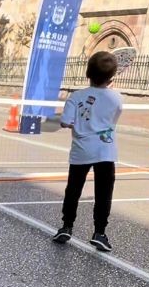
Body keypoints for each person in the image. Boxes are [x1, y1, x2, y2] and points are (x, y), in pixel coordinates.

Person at [52, 51, 123, 253]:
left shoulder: (76, 96)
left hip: (81, 150)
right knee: (104, 193)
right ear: (111, 77)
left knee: (73, 190)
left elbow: (65, 122)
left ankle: (66, 226)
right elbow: (114, 116)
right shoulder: (116, 98)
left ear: (87, 73)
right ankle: (99, 233)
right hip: (105, 151)